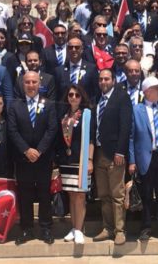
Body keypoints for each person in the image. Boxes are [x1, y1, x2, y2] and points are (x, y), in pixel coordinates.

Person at [8, 72, 58, 245]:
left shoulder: (49, 104)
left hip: (43, 159)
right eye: (27, 82)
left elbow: (52, 129)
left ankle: (46, 228)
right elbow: (12, 131)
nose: (30, 85)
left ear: (39, 83)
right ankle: (26, 229)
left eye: (33, 82)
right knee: (25, 194)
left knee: (44, 193)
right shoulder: (15, 106)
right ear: (23, 84)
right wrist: (26, 150)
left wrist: (39, 150)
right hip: (23, 159)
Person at [129, 77, 158, 241]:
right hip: (145, 158)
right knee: (146, 195)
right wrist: (132, 161)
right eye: (157, 88)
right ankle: (146, 227)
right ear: (148, 91)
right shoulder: (136, 110)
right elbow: (131, 137)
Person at [92, 69, 132, 245]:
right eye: (101, 79)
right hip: (99, 152)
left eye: (106, 79)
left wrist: (120, 152)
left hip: (115, 153)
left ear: (113, 80)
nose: (103, 82)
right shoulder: (97, 98)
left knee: (117, 194)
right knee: (104, 194)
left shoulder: (121, 97)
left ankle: (120, 230)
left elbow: (125, 127)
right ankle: (107, 228)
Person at [56, 85, 95, 244]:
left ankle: (79, 229)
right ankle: (73, 227)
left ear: (82, 97)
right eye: (71, 95)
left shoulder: (87, 114)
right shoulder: (64, 115)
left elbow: (91, 139)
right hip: (67, 161)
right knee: (71, 195)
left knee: (80, 195)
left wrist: (90, 160)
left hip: (82, 160)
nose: (73, 97)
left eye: (77, 95)